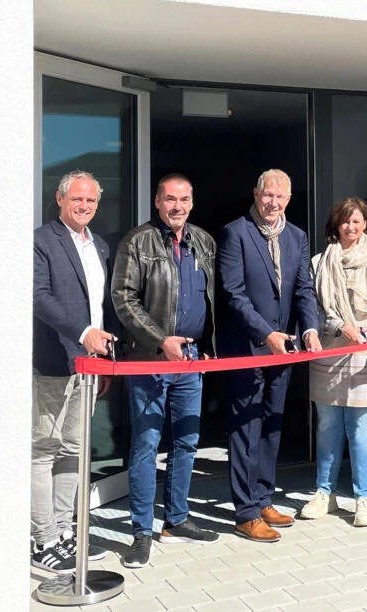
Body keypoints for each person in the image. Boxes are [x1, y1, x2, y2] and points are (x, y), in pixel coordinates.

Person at [110, 174, 221, 568]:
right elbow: (123, 299)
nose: (178, 206)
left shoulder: (203, 241)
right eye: (170, 199)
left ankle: (176, 520)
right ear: (157, 202)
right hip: (150, 360)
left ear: (192, 202)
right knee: (146, 445)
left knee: (187, 442)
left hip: (190, 361)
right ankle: (141, 532)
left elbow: (212, 298)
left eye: (184, 199)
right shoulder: (137, 242)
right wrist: (161, 340)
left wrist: (206, 345)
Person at [217, 169, 323, 543]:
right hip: (248, 347)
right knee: (245, 429)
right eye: (267, 195)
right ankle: (245, 512)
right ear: (256, 194)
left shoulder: (297, 237)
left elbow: (304, 290)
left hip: (285, 348)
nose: (273, 202)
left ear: (288, 199)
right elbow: (233, 293)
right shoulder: (235, 233)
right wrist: (266, 334)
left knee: (272, 426)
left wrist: (309, 330)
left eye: (280, 196)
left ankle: (263, 499)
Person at [299, 199, 367, 527]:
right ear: (336, 224)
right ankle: (324, 493)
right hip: (329, 356)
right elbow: (310, 308)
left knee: (363, 429)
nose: (351, 227)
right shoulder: (319, 262)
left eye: (357, 221)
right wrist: (337, 325)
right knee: (328, 427)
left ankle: (363, 498)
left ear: (366, 224)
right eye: (345, 221)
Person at [31, 171, 115, 573]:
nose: (84, 206)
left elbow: (100, 305)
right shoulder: (41, 241)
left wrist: (105, 356)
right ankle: (42, 539)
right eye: (77, 199)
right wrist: (83, 333)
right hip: (52, 362)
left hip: (88, 367)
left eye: (91, 201)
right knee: (43, 451)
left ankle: (64, 532)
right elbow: (39, 297)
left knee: (75, 450)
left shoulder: (99, 245)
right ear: (60, 199)